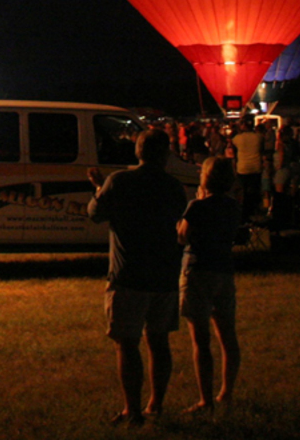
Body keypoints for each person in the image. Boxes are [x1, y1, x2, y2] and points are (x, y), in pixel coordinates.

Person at [87, 128, 188, 426]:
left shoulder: (119, 181)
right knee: (159, 341)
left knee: (127, 343)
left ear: (138, 151)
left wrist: (98, 188)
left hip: (129, 274)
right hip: (165, 274)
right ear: (166, 154)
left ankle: (132, 410)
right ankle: (155, 404)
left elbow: (95, 213)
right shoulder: (173, 187)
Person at [177, 156, 241, 413]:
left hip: (198, 269)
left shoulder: (197, 207)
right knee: (228, 335)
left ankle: (205, 399)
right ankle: (226, 392)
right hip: (224, 270)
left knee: (201, 339)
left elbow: (183, 236)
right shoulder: (233, 206)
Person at [230, 118, 263, 222]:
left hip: (243, 167)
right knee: (253, 190)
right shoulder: (259, 137)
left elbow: (232, 144)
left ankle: (243, 213)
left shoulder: (238, 138)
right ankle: (253, 211)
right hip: (256, 167)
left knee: (242, 191)